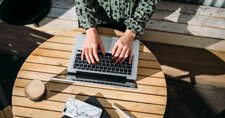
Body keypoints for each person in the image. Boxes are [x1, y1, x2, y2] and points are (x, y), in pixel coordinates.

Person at [75, 0, 160, 65]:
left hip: (129, 23)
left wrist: (131, 33)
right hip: (94, 22)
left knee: (125, 67)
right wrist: (90, 30)